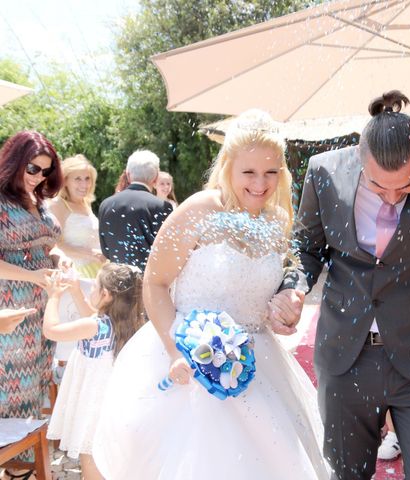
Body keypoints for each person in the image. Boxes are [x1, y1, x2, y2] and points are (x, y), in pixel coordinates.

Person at [271, 91, 410, 480]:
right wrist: (293, 286)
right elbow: (305, 249)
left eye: (407, 186)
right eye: (379, 187)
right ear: (359, 159)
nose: (393, 198)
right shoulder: (324, 172)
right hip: (346, 359)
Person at [92, 109, 328, 479]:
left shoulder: (277, 220)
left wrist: (281, 310)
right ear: (229, 167)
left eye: (270, 172)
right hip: (189, 358)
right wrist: (175, 350)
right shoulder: (198, 209)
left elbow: (259, 292)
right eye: (249, 172)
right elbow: (154, 283)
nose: (260, 183)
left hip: (256, 364)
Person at [0, 131, 69, 476]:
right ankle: (16, 468)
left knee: (35, 389)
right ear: (14, 161)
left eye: (45, 170)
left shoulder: (37, 200)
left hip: (42, 309)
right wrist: (34, 276)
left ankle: (20, 471)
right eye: (32, 167)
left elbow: (46, 245)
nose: (38, 176)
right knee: (12, 393)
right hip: (10, 309)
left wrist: (59, 260)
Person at [43, 264, 144, 480]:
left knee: (89, 456)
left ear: (106, 295)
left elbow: (51, 331)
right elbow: (91, 315)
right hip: (113, 403)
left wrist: (53, 296)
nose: (91, 290)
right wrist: (76, 290)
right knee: (108, 458)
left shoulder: (94, 326)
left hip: (92, 405)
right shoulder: (127, 323)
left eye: (93, 287)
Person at [98, 150, 173, 270]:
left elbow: (106, 250)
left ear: (128, 175)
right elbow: (168, 250)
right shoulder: (161, 206)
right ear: (155, 178)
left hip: (116, 280)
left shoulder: (106, 204)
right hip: (148, 282)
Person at [49, 154, 105, 279]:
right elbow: (53, 245)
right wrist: (91, 254)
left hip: (96, 270)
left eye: (87, 178)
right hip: (74, 273)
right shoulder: (58, 205)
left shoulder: (85, 203)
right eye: (78, 179)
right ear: (65, 181)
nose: (84, 184)